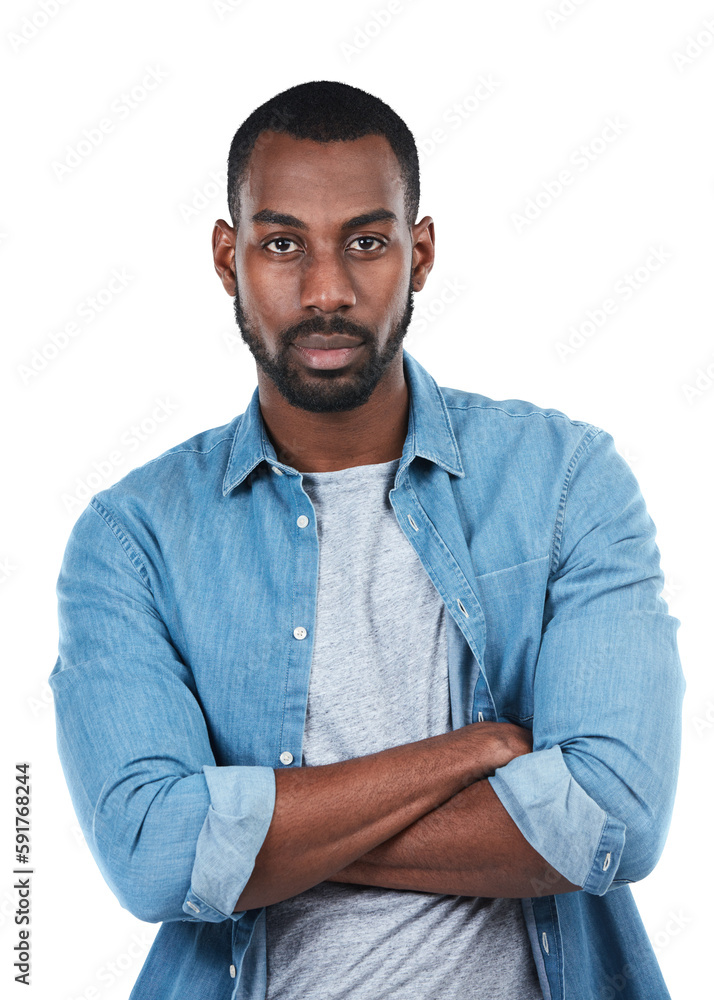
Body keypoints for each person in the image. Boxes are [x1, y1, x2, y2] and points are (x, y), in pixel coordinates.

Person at [49, 80, 685, 1000]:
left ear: (419, 253)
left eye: (366, 241)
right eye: (281, 244)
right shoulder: (133, 537)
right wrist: (464, 754)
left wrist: (261, 841)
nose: (326, 291)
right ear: (227, 258)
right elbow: (154, 856)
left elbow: (611, 821)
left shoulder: (565, 480)